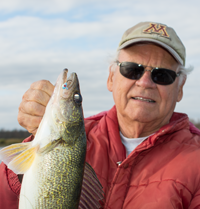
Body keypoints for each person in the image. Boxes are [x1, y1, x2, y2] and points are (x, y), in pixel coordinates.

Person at [1, 21, 200, 209]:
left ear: (180, 88)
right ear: (111, 78)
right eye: (132, 70)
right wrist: (18, 170)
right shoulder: (78, 136)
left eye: (162, 75)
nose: (145, 82)